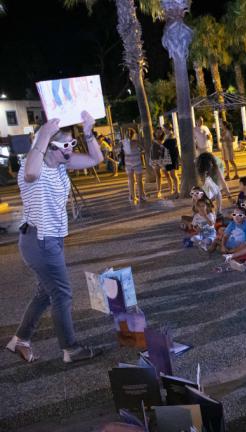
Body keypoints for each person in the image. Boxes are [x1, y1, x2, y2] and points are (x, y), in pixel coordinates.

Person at [6, 112, 104, 363]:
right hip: (40, 240)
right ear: (48, 145)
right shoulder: (32, 167)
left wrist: (89, 132)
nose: (71, 149)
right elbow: (29, 174)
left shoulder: (62, 164)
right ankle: (70, 349)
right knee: (62, 294)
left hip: (53, 238)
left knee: (45, 293)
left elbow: (96, 158)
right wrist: (43, 135)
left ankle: (20, 340)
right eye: (65, 145)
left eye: (73, 144)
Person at [196, 152, 230, 217]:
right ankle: (209, 206)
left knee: (217, 190)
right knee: (207, 189)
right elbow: (203, 184)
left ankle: (219, 211)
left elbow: (223, 182)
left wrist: (229, 196)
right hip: (204, 170)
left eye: (210, 165)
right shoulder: (199, 166)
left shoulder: (216, 165)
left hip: (217, 166)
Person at [122, 128, 146, 205]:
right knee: (139, 181)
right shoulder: (136, 142)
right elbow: (144, 149)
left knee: (131, 180)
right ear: (133, 134)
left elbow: (114, 149)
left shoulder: (123, 142)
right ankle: (141, 196)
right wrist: (140, 152)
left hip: (129, 163)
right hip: (137, 162)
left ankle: (132, 196)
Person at [150, 127, 169, 199]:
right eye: (157, 132)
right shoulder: (153, 139)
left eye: (160, 132)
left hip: (162, 159)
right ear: (155, 132)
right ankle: (158, 191)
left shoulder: (164, 139)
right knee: (158, 175)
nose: (158, 133)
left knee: (167, 174)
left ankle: (171, 189)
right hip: (154, 159)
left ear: (162, 133)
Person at [162, 128, 180, 199]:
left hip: (173, 158)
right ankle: (174, 190)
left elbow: (175, 149)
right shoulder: (165, 137)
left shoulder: (172, 137)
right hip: (167, 157)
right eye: (164, 129)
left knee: (173, 174)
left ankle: (177, 190)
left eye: (165, 129)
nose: (165, 130)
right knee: (171, 175)